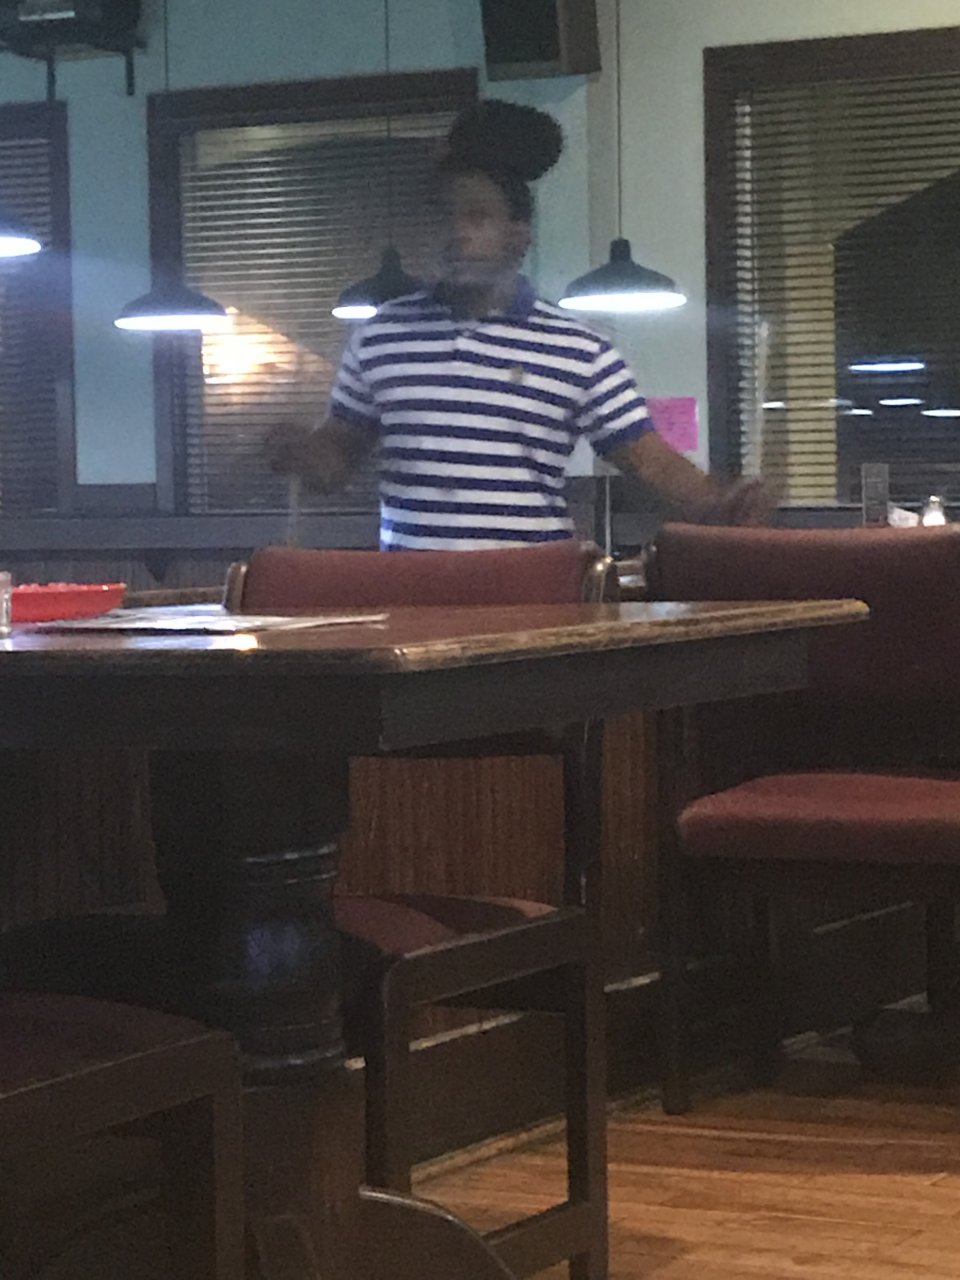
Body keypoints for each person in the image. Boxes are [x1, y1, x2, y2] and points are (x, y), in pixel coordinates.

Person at [267, 100, 772, 550]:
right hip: (411, 593)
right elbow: (338, 457)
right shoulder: (379, 338)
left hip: (535, 590)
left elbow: (650, 461)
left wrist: (718, 504)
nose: (457, 233)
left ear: (518, 236)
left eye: (477, 217)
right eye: (444, 217)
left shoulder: (579, 350)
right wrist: (303, 453)